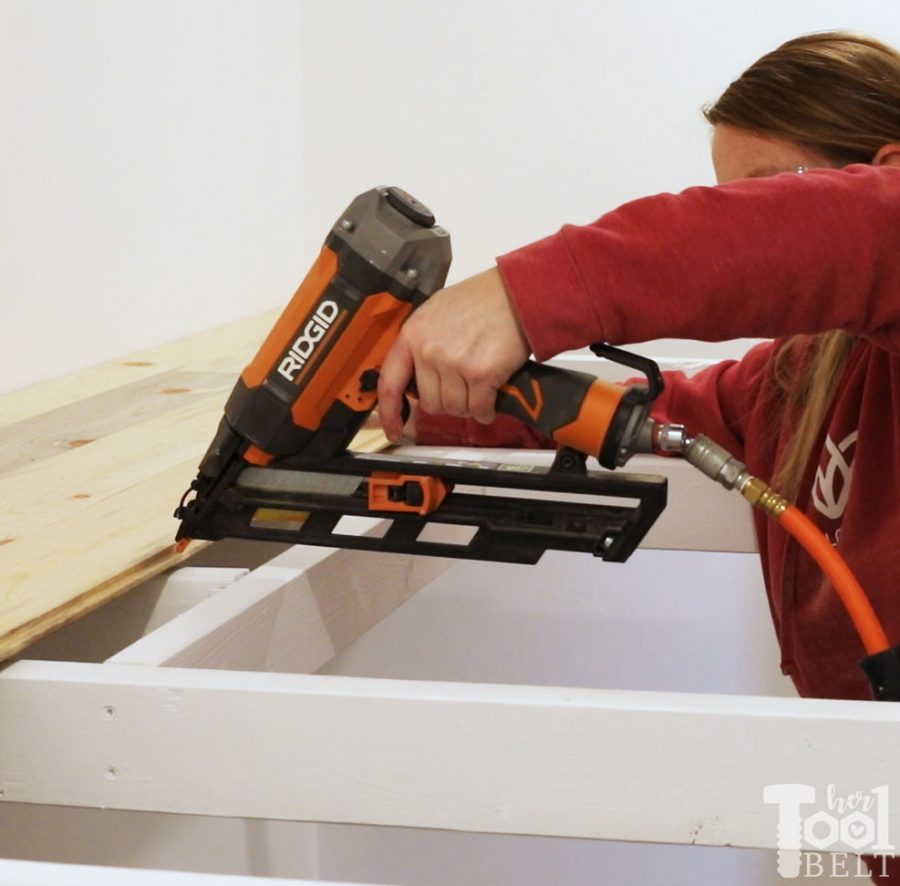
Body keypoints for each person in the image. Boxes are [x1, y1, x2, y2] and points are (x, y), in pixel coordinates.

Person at [378, 30, 900, 875]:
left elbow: (858, 232)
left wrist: (529, 292)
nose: (751, 227)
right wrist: (417, 402)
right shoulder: (802, 377)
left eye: (767, 199)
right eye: (729, 200)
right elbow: (640, 410)